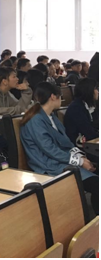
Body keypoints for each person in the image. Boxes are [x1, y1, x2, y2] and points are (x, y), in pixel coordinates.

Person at [21, 82, 98, 215]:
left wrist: (81, 157)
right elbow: (49, 150)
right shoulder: (36, 120)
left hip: (61, 160)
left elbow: (65, 142)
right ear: (53, 96)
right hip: (49, 166)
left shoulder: (51, 116)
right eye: (60, 96)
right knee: (97, 185)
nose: (61, 100)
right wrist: (80, 161)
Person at [64, 78, 99, 148]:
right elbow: (88, 132)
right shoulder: (76, 108)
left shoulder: (86, 104)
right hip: (79, 144)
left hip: (89, 141)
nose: (98, 92)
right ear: (88, 91)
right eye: (96, 89)